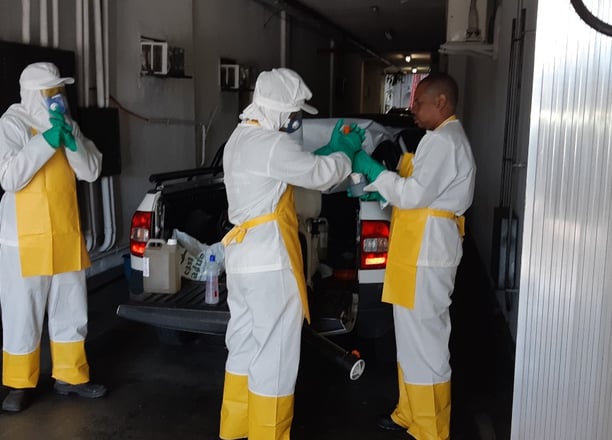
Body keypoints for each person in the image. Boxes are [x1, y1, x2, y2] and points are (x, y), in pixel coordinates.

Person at [220, 67, 363, 440]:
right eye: (295, 114)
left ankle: (235, 429)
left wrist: (330, 150)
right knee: (275, 355)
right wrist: (345, 153)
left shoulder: (241, 137)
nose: (296, 121)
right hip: (269, 261)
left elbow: (292, 168)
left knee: (244, 344)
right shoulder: (271, 144)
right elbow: (321, 176)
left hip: (242, 261)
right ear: (279, 111)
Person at [351, 72, 476, 440]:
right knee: (409, 339)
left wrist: (376, 174)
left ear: (442, 102)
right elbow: (414, 190)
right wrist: (382, 190)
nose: (412, 108)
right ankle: (409, 412)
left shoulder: (446, 142)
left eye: (418, 102)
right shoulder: (436, 140)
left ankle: (431, 428)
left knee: (427, 343)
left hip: (428, 253)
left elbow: (415, 194)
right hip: (415, 253)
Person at [0, 62, 107, 412]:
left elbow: (91, 171)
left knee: (70, 306)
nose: (57, 97)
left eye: (59, 91)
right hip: (23, 238)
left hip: (63, 230)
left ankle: (71, 376)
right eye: (51, 91)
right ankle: (18, 383)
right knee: (23, 310)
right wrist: (46, 142)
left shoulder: (68, 124)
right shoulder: (12, 124)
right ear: (34, 94)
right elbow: (10, 177)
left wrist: (71, 139)